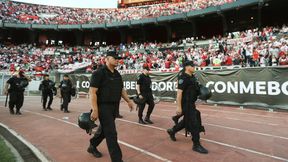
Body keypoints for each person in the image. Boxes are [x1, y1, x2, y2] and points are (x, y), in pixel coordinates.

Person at [88, 51, 134, 162]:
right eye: (115, 58)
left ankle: (92, 145)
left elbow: (121, 89)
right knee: (111, 133)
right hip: (103, 107)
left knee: (105, 131)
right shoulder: (98, 73)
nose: (117, 60)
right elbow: (92, 92)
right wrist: (95, 109)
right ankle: (117, 159)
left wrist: (128, 101)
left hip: (114, 107)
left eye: (118, 58)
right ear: (106, 59)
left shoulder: (117, 74)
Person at [167, 61, 208, 154]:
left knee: (187, 121)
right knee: (193, 122)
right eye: (192, 66)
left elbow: (196, 89)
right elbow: (179, 93)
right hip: (186, 104)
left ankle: (172, 131)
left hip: (191, 103)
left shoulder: (192, 77)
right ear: (187, 67)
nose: (194, 67)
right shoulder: (183, 78)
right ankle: (196, 144)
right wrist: (178, 107)